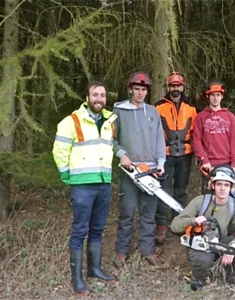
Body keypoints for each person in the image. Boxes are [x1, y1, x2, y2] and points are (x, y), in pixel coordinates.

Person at [52, 82, 118, 296]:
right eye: (95, 95)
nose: (99, 98)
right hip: (82, 185)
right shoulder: (71, 121)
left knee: (98, 229)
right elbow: (59, 150)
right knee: (80, 231)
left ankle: (94, 269)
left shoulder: (110, 121)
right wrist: (66, 176)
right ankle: (77, 279)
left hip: (103, 182)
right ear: (87, 97)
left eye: (102, 95)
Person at [170, 166, 235, 293]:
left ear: (231, 187)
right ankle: (198, 278)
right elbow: (175, 226)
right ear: (213, 185)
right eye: (219, 184)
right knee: (203, 259)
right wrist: (193, 220)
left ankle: (234, 278)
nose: (222, 188)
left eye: (226, 185)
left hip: (220, 241)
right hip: (201, 243)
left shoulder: (234, 205)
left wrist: (232, 247)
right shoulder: (200, 201)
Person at [113, 72, 166, 266]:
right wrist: (121, 154)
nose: (140, 93)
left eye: (144, 89)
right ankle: (121, 251)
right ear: (130, 89)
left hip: (150, 170)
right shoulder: (118, 111)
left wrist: (161, 163)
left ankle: (147, 249)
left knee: (148, 212)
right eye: (137, 89)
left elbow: (160, 139)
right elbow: (112, 138)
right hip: (130, 170)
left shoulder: (152, 112)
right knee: (127, 210)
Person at [154, 72, 197, 245]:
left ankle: (178, 220)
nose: (175, 89)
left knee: (181, 188)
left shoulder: (191, 107)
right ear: (168, 87)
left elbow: (196, 132)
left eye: (178, 86)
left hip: (185, 153)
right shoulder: (158, 107)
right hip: (165, 153)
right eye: (172, 86)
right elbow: (153, 131)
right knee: (163, 190)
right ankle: (161, 224)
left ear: (183, 87)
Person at [193, 80, 235, 193]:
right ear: (208, 96)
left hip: (226, 163)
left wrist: (234, 164)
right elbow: (197, 140)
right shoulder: (200, 117)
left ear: (222, 96)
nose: (215, 98)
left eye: (218, 95)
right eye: (213, 95)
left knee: (225, 197)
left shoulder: (230, 116)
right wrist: (204, 160)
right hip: (209, 164)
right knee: (208, 197)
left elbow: (233, 141)